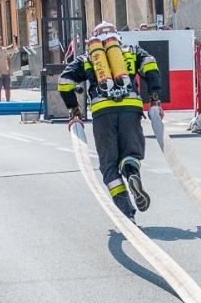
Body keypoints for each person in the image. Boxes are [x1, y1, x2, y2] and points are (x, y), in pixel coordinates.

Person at [58, 21, 161, 220]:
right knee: (131, 153)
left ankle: (126, 211)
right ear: (117, 38)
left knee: (108, 165)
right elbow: (152, 67)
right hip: (131, 108)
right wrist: (154, 98)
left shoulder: (87, 58)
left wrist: (74, 109)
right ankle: (132, 173)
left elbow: (64, 82)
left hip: (102, 111)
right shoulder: (131, 51)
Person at [0, 34, 18, 102]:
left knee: (7, 88)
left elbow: (8, 59)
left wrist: (8, 68)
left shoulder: (4, 49)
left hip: (5, 72)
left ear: (1, 41)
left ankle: (8, 102)